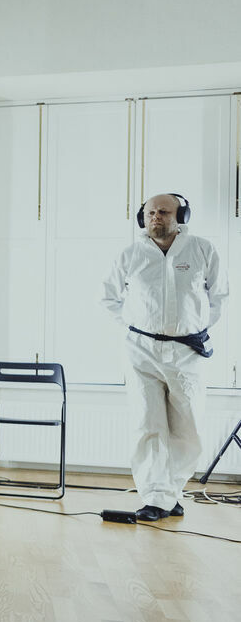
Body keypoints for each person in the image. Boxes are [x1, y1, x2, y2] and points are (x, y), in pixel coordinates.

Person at [101, 193, 227, 521]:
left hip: (188, 351)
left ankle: (171, 493)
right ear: (142, 218)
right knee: (148, 424)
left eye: (164, 212)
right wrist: (134, 327)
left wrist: (199, 327)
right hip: (141, 351)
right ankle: (156, 498)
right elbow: (109, 297)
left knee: (188, 427)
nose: (156, 217)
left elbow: (219, 295)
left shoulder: (202, 250)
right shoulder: (130, 254)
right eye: (150, 212)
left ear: (181, 216)